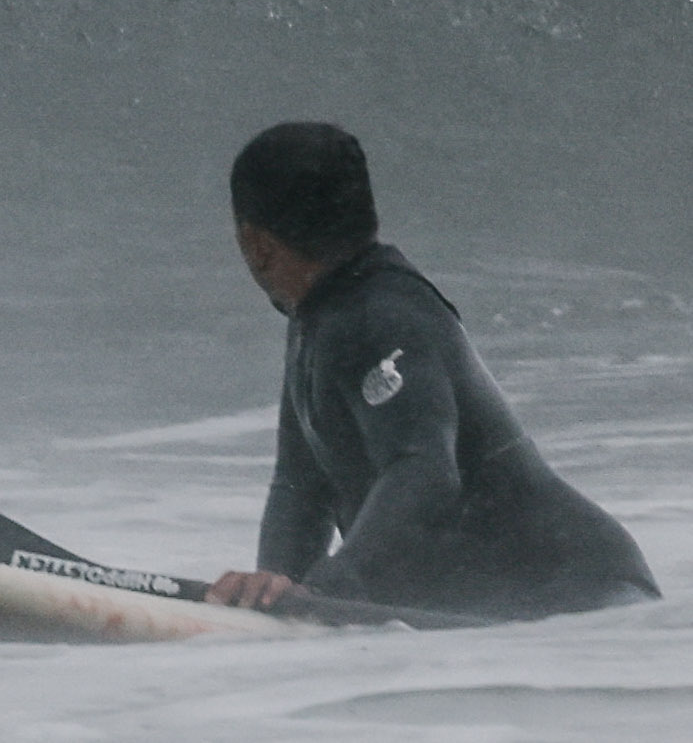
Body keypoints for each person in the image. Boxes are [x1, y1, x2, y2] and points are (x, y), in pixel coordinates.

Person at [203, 122, 656, 621]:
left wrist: (330, 587)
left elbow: (422, 469)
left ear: (257, 244)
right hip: (519, 608)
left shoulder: (387, 313)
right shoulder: (319, 317)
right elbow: (299, 485)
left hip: (588, 595)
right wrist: (276, 596)